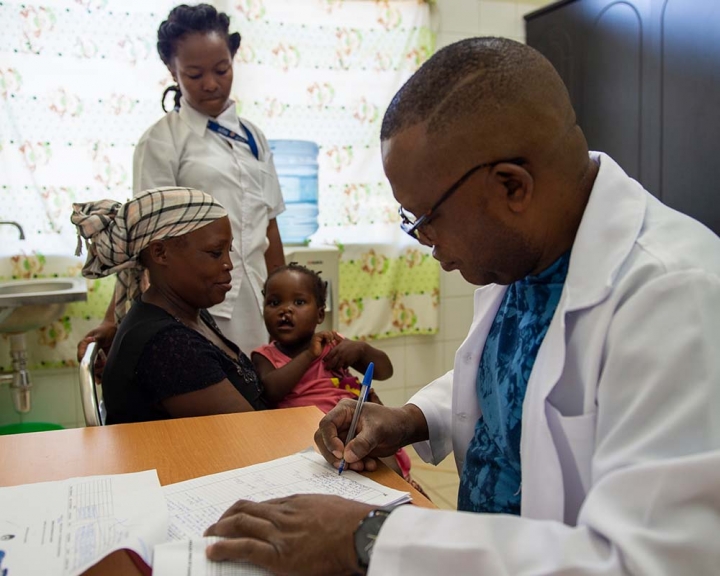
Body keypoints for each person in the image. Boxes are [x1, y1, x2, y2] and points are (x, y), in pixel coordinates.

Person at [200, 37, 720, 575]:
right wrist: (409, 419)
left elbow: (652, 562)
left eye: (426, 219)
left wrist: (370, 538)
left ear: (512, 187)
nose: (424, 242)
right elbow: (511, 376)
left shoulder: (675, 297)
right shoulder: (522, 250)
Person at [77, 3, 285, 360]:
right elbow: (144, 241)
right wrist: (115, 319)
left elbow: (270, 226)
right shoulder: (162, 142)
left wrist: (288, 301)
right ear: (172, 72)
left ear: (233, 58)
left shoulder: (254, 137)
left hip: (259, 301)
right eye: (193, 74)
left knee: (267, 400)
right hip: (198, 307)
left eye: (222, 69)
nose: (210, 84)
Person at [71, 187, 267, 424]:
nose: (228, 264)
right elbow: (249, 433)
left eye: (229, 251)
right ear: (160, 252)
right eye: (215, 253)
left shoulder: (191, 314)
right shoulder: (167, 344)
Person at [251, 263, 413, 479]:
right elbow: (270, 392)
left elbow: (385, 371)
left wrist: (361, 350)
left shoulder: (333, 344)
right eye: (274, 302)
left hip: (351, 425)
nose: (285, 309)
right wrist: (309, 354)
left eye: (299, 302)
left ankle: (401, 495)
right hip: (304, 436)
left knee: (386, 467)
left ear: (319, 315)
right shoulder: (263, 355)